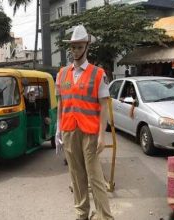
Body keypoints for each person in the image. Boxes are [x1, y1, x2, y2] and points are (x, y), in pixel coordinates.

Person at [55, 25, 114, 220]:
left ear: (87, 47)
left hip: (90, 132)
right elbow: (61, 105)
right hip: (69, 130)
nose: (76, 51)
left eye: (80, 47)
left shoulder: (98, 74)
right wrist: (58, 130)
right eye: (73, 47)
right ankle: (82, 214)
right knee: (76, 177)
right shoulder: (62, 74)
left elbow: (104, 107)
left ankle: (105, 216)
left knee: (95, 178)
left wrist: (101, 136)